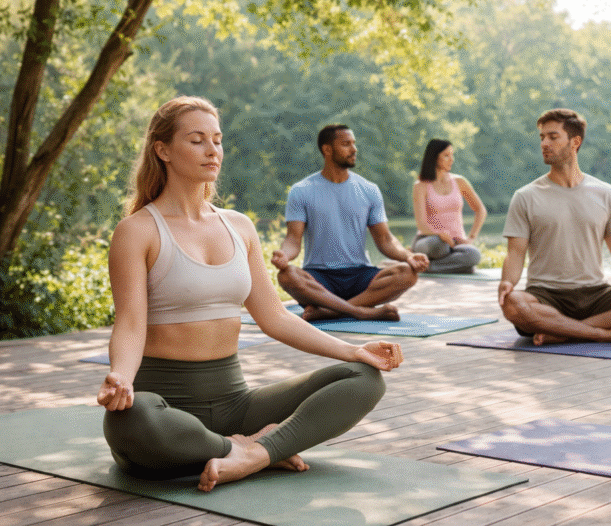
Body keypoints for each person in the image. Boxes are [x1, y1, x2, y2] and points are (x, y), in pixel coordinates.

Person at [99, 97, 403, 492]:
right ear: (163, 150)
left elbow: (274, 317)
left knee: (364, 378)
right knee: (130, 418)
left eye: (217, 140)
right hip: (165, 407)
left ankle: (254, 454)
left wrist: (353, 350)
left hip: (236, 405)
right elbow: (130, 323)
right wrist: (121, 378)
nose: (212, 150)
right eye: (196, 140)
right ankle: (246, 448)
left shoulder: (239, 227)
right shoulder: (137, 231)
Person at [498, 108, 611, 345]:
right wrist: (508, 282)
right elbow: (515, 253)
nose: (544, 143)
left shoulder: (606, 193)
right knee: (514, 304)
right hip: (546, 295)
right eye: (542, 137)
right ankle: (605, 333)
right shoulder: (526, 196)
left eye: (553, 137)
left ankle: (563, 332)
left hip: (596, 294)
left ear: (575, 142)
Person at [272, 124, 430, 321]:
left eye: (354, 143)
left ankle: (330, 311)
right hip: (320, 280)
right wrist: (284, 255)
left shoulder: (369, 190)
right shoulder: (301, 191)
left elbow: (385, 240)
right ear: (327, 149)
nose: (354, 149)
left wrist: (409, 256)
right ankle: (361, 311)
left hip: (360, 276)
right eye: (346, 144)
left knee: (408, 273)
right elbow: (293, 239)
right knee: (286, 275)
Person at [411, 138, 488, 274]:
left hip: (456, 243)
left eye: (452, 155)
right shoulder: (421, 186)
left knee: (474, 254)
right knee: (440, 245)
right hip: (429, 241)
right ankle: (459, 266)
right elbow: (421, 224)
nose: (452, 159)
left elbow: (480, 210)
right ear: (434, 157)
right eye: (446, 155)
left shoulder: (459, 181)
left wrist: (470, 238)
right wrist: (441, 235)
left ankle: (429, 267)